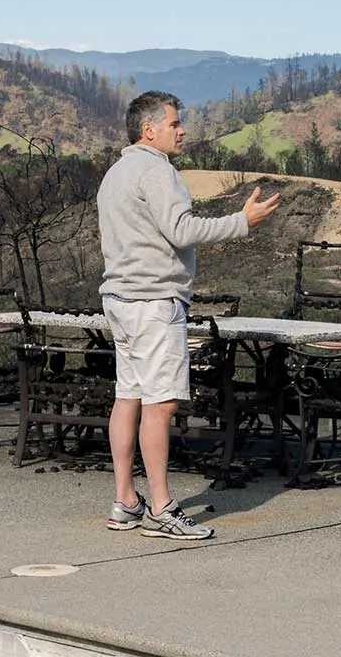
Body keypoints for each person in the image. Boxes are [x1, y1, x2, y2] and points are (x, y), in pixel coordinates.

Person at [98, 91, 278, 539]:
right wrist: (242, 222)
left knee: (128, 399)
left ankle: (125, 501)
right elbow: (181, 230)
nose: (182, 130)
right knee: (160, 406)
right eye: (175, 123)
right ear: (149, 129)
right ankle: (161, 508)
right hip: (154, 303)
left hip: (120, 301)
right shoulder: (159, 172)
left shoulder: (115, 174)